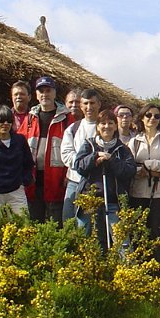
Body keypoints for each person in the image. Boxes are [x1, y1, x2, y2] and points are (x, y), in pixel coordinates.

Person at [74, 109, 137, 251]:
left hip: (114, 202)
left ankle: (127, 272)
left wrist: (111, 159)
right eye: (102, 123)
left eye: (110, 123)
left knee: (122, 243)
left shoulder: (122, 149)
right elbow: (78, 166)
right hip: (89, 202)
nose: (106, 126)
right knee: (85, 240)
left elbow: (129, 171)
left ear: (115, 126)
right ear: (97, 126)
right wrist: (95, 156)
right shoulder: (88, 145)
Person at [127, 103, 160, 268]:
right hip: (138, 192)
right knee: (140, 231)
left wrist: (144, 167)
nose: (152, 119)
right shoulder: (133, 141)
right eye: (148, 115)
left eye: (156, 116)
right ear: (142, 117)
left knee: (158, 230)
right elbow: (129, 167)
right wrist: (155, 169)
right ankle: (142, 270)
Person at [20, 76, 73, 223]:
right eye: (41, 91)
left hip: (57, 181)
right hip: (33, 181)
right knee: (34, 223)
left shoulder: (66, 119)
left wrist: (68, 174)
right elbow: (20, 147)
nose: (45, 94)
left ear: (55, 93)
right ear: (36, 95)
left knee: (56, 224)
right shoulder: (30, 119)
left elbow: (74, 150)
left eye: (48, 90)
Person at [61, 88, 102, 222]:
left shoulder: (106, 127)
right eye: (85, 103)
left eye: (92, 103)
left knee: (89, 224)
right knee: (68, 220)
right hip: (75, 181)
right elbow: (66, 154)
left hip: (96, 183)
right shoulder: (73, 129)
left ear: (99, 104)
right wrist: (85, 163)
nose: (89, 107)